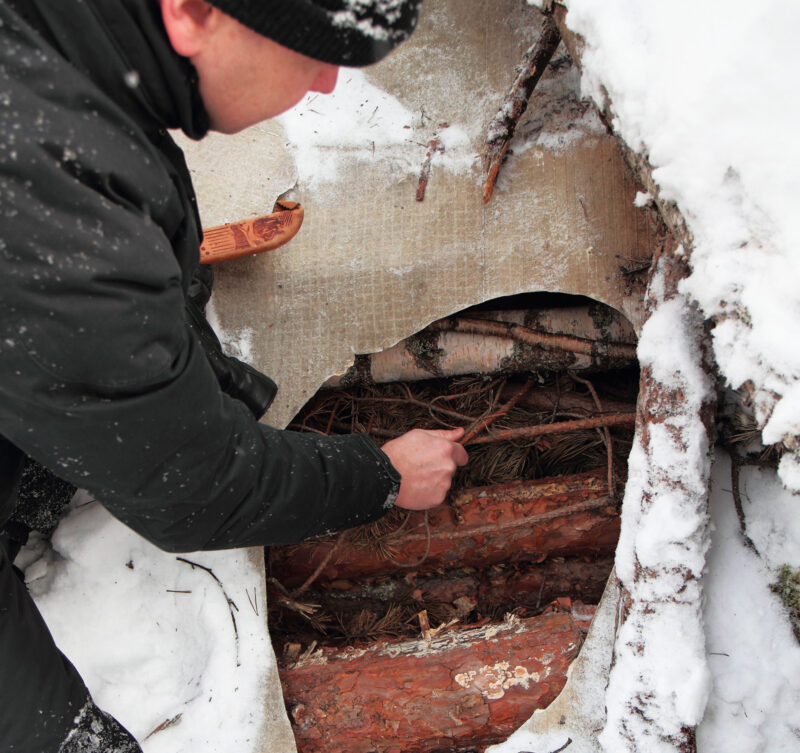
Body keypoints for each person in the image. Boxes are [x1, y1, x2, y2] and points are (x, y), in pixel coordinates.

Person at [0, 0, 469, 750]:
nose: (324, 86)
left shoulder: (66, 57)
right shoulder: (45, 203)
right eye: (311, 54)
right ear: (192, 12)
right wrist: (379, 474)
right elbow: (193, 484)